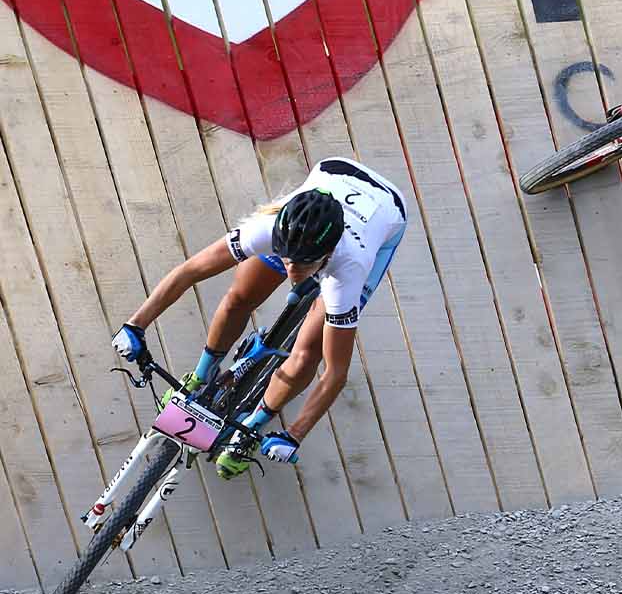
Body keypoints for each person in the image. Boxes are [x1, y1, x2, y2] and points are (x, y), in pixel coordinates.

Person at [111, 157, 410, 477]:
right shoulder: (271, 229)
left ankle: (250, 428)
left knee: (307, 350)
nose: (291, 270)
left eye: (302, 264)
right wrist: (135, 324)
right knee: (239, 298)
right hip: (331, 178)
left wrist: (294, 434)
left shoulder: (350, 268)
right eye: (286, 258)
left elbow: (335, 371)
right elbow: (190, 271)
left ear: (325, 255)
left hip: (385, 209)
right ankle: (199, 376)